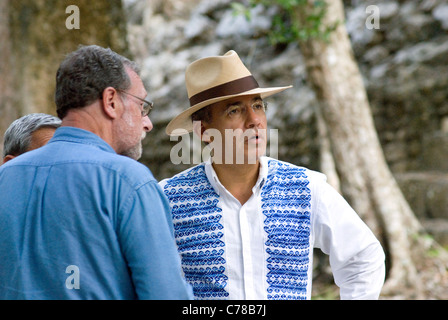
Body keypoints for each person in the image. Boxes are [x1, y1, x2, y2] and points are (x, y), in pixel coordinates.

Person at [159, 50, 385, 300]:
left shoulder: (305, 188)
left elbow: (364, 257)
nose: (255, 120)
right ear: (204, 131)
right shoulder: (169, 199)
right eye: (234, 110)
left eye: (258, 106)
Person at [0, 45, 193, 300]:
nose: (147, 122)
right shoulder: (130, 181)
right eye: (142, 106)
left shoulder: (6, 177)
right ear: (111, 101)